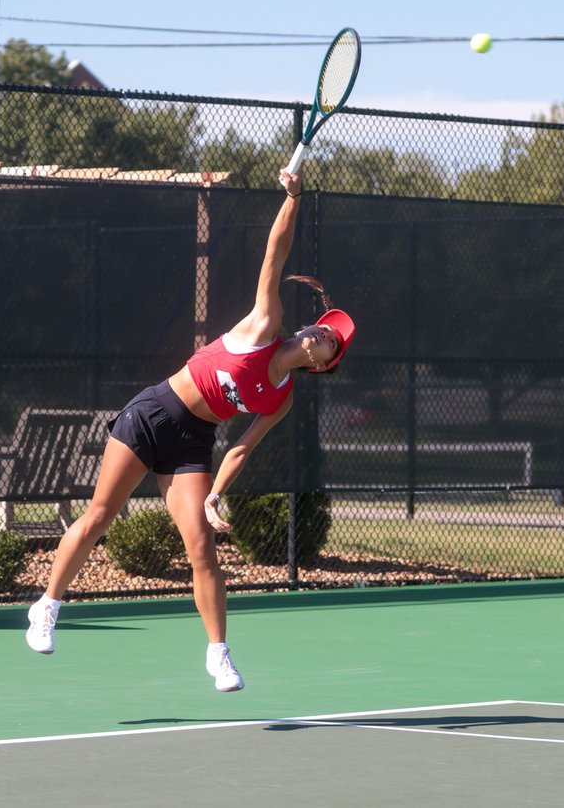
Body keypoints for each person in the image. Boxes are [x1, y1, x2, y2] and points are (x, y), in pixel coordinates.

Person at [25, 168, 356, 692]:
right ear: (307, 331)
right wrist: (292, 199)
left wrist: (215, 496)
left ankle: (218, 653)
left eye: (333, 344)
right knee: (99, 517)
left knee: (201, 546)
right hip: (153, 414)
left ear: (322, 364)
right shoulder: (264, 326)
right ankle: (46, 606)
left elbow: (242, 449)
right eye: (326, 330)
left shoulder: (281, 398)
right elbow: (275, 254)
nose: (325, 336)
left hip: (193, 444)